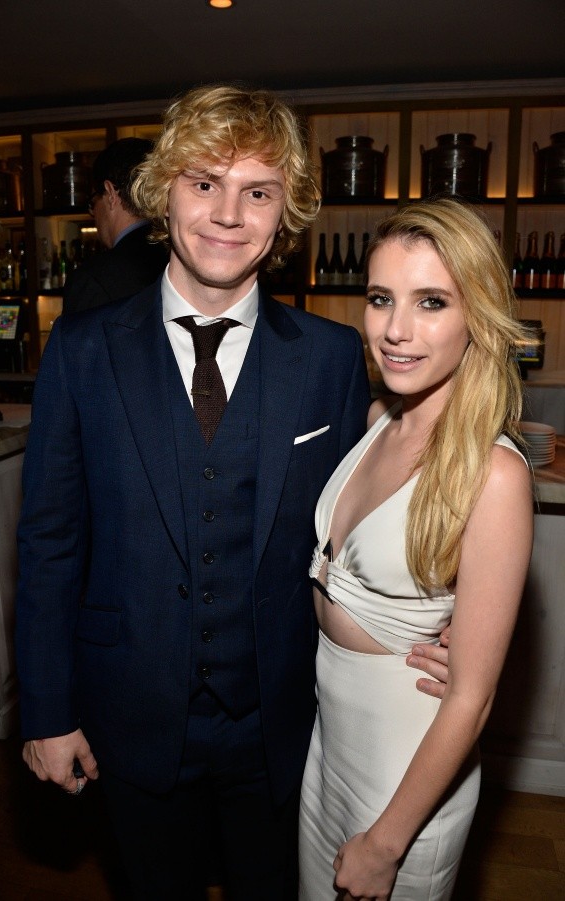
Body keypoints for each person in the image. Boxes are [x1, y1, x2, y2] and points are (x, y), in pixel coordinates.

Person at [16, 85, 449, 901]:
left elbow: (393, 494)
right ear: (163, 193)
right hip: (129, 716)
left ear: (286, 214)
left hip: (283, 723)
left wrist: (456, 613)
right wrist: (45, 708)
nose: (228, 213)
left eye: (258, 190)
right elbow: (48, 541)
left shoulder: (329, 357)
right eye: (203, 182)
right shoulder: (79, 351)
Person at [299, 197, 534, 900]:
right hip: (328, 752)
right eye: (380, 299)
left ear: (478, 317)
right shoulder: (378, 419)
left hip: (404, 783)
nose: (395, 331)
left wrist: (386, 842)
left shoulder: (494, 475)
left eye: (431, 301)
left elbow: (471, 696)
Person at [61, 137, 169, 314]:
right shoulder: (183, 259)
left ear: (111, 194)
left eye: (93, 203)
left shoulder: (94, 279)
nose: (93, 214)